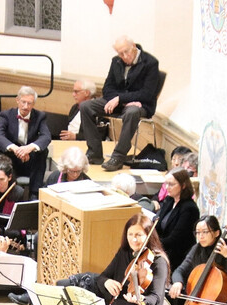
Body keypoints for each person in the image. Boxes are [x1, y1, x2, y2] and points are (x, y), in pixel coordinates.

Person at [81, 35, 160, 171]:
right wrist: (120, 100)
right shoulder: (116, 61)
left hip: (142, 105)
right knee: (86, 106)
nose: (124, 56)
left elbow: (147, 93)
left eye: (126, 52)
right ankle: (94, 153)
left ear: (134, 47)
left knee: (132, 112)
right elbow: (107, 88)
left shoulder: (150, 63)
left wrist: (121, 98)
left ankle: (118, 156)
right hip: (119, 103)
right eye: (120, 53)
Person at [0, 86, 51, 198]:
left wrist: (29, 148)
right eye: (23, 102)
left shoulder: (40, 116)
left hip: (30, 161)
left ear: (33, 104)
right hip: (12, 159)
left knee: (43, 151)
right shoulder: (6, 115)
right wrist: (16, 149)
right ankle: (9, 194)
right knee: (4, 153)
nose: (26, 106)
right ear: (17, 100)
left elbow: (46, 136)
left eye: (29, 103)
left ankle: (34, 194)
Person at [155, 168, 199, 270]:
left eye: (171, 184)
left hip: (178, 256)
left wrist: (155, 245)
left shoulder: (189, 208)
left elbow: (175, 239)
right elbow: (158, 225)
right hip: (164, 250)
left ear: (183, 185)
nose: (167, 187)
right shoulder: (169, 200)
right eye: (166, 184)